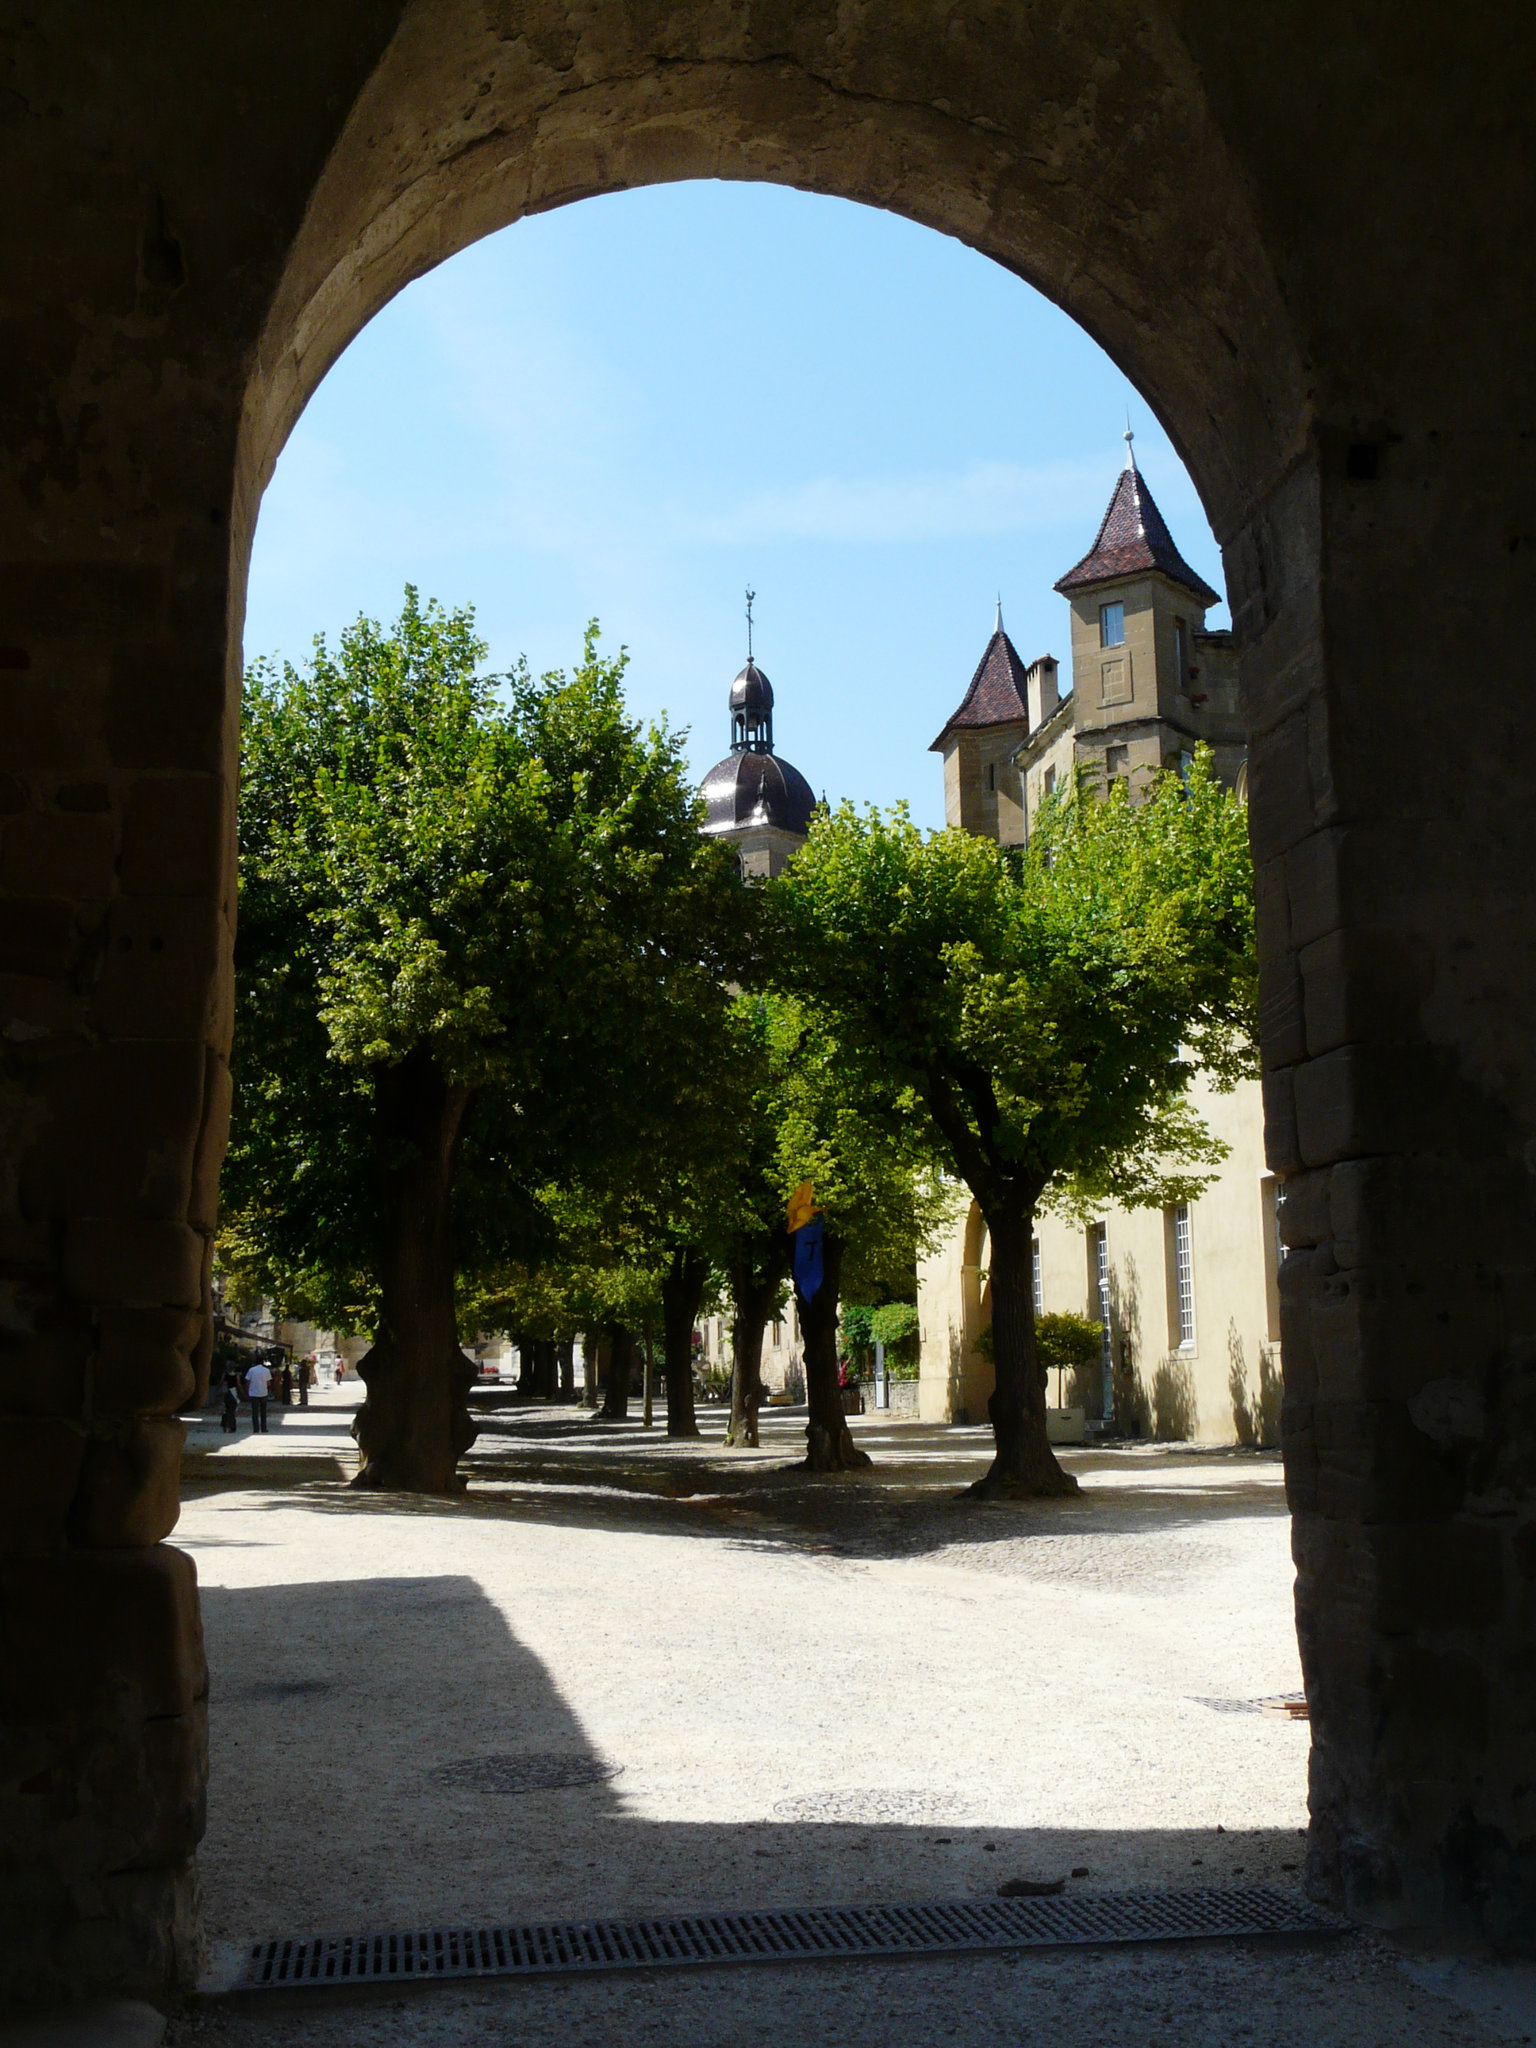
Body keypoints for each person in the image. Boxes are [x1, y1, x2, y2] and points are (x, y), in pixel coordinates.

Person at [244, 1356, 273, 1434]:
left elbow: (247, 1382)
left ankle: (256, 1428)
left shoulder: (251, 1370)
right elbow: (268, 1383)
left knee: (255, 1412)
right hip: (263, 1393)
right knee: (263, 1412)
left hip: (253, 1393)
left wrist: (247, 1390)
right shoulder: (266, 1370)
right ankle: (264, 1428)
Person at [219, 1364, 240, 1434]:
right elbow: (238, 1384)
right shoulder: (236, 1376)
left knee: (225, 1409)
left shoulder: (224, 1375)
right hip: (233, 1391)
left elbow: (221, 1382)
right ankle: (231, 1425)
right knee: (233, 1409)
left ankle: (225, 1425)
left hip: (225, 1391)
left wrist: (218, 1390)